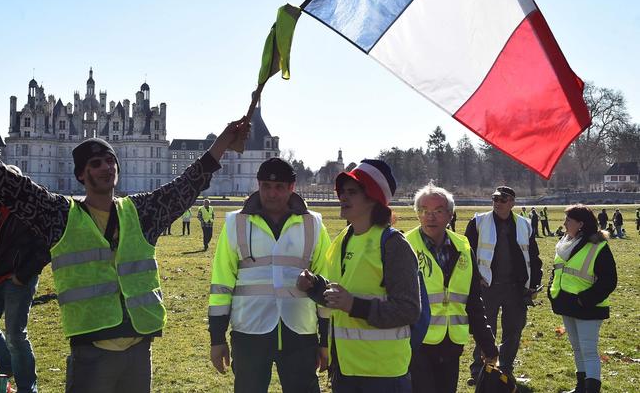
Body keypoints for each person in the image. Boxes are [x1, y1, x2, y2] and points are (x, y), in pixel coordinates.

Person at [0, 105, 250, 393]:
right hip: (91, 351)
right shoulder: (61, 216)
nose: (107, 167)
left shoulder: (141, 213)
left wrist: (222, 143)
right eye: (96, 163)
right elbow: (9, 186)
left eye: (111, 160)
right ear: (81, 174)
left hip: (139, 349)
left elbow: (187, 185)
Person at [208, 158, 331, 393]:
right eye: (265, 186)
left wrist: (325, 341)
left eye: (279, 187)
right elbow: (221, 284)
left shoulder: (313, 224)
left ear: (291, 188)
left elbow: (326, 287)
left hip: (300, 333)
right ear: (258, 185)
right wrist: (217, 338)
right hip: (249, 332)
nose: (271, 194)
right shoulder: (236, 223)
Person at [298, 159, 420, 392]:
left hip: (384, 373)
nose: (343, 197)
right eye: (342, 191)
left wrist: (354, 305)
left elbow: (409, 309)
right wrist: (315, 287)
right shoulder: (342, 240)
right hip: (345, 370)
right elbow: (342, 297)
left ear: (374, 198)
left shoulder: (393, 244)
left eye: (352, 192)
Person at [406, 184, 497, 393]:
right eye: (424, 211)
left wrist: (487, 343)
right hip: (415, 343)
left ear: (450, 215)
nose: (430, 217)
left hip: (451, 344)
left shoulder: (463, 247)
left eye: (438, 211)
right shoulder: (404, 245)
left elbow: (474, 301)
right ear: (417, 214)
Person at [0, 172, 51, 393]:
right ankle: (8, 365)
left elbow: (47, 247)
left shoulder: (32, 207)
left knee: (16, 334)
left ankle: (27, 388)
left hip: (18, 280)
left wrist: (23, 274)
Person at [464, 186, 542, 385]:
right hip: (487, 287)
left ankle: (505, 369)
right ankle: (479, 371)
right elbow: (466, 254)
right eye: (495, 199)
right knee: (484, 330)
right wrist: (475, 280)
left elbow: (533, 256)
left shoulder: (524, 225)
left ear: (512, 202)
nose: (498, 203)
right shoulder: (478, 222)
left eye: (503, 199)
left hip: (516, 288)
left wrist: (533, 284)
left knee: (513, 331)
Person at [548, 204, 617, 393]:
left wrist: (584, 300)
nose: (564, 223)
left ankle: (592, 389)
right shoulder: (565, 243)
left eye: (568, 220)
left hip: (588, 307)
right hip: (567, 305)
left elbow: (609, 280)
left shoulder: (598, 246)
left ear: (580, 224)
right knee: (577, 348)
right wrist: (552, 291)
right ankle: (581, 387)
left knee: (588, 351)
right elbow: (557, 270)